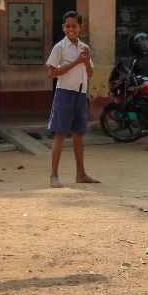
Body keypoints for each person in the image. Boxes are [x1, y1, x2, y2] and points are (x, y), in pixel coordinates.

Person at [46, 10, 99, 188]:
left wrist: (85, 61)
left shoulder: (84, 47)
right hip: (64, 94)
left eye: (74, 26)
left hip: (80, 94)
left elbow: (90, 73)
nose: (71, 29)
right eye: (67, 26)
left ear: (80, 28)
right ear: (63, 28)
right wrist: (76, 62)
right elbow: (52, 73)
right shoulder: (59, 47)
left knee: (79, 135)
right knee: (60, 134)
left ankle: (81, 174)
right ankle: (53, 175)